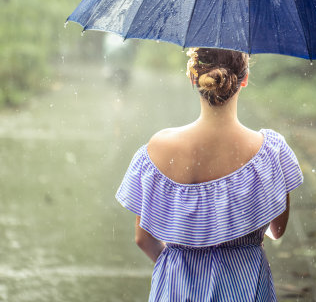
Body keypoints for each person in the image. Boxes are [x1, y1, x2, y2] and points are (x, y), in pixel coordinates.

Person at [115, 47, 303, 301]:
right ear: (244, 79)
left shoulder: (158, 149)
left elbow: (143, 238)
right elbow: (276, 230)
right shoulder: (270, 152)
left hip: (176, 287)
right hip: (244, 287)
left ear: (193, 78)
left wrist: (180, 265)